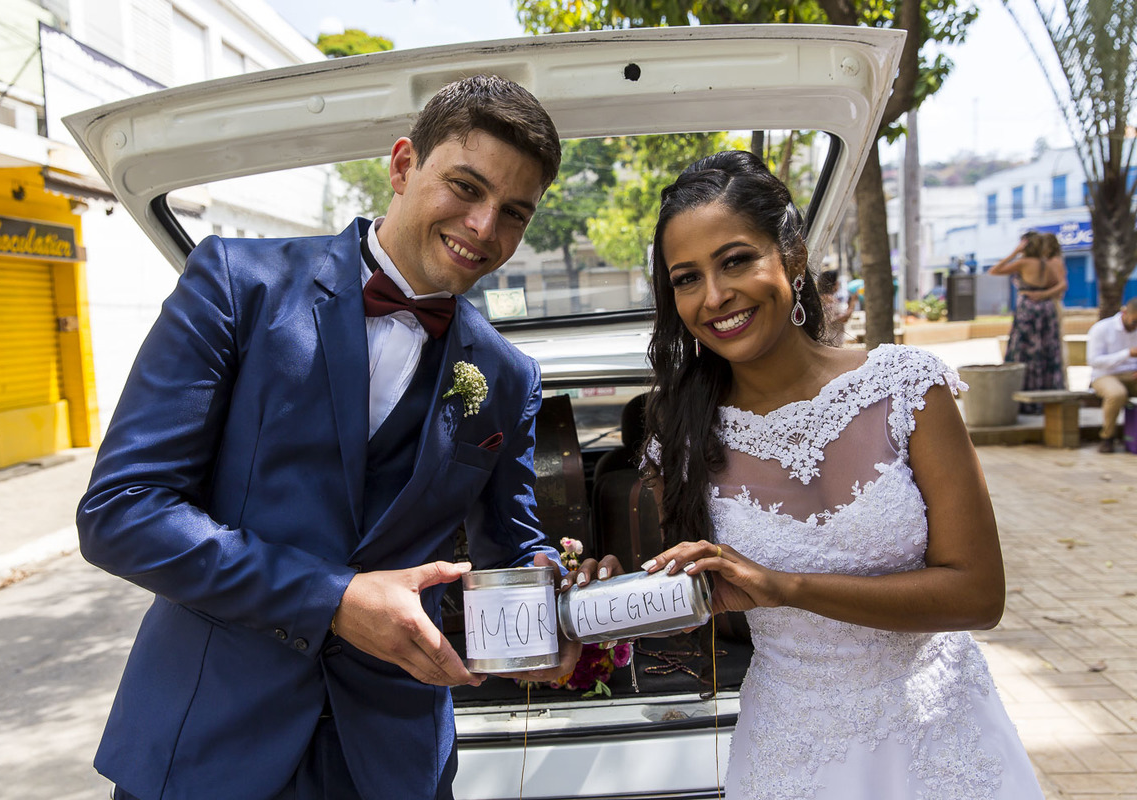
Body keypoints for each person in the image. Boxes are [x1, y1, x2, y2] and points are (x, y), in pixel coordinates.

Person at [77, 75, 585, 800]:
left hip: (392, 756)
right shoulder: (235, 283)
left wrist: (560, 603)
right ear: (404, 165)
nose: (483, 227)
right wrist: (334, 598)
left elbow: (510, 543)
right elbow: (122, 512)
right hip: (206, 741)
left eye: (513, 213)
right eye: (466, 188)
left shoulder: (506, 375)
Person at [636, 151, 1044, 799]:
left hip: (941, 738)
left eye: (736, 260)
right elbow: (688, 602)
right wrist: (590, 596)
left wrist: (786, 585)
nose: (714, 297)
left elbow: (978, 595)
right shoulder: (678, 437)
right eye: (687, 278)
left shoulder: (907, 388)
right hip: (793, 752)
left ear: (793, 257)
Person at [988, 231, 1068, 413]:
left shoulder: (1024, 262)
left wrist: (1014, 252)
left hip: (1028, 309)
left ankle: (1024, 400)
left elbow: (994, 270)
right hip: (1047, 310)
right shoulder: (1050, 263)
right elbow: (1062, 285)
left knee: (1023, 352)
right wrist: (1044, 294)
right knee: (1046, 352)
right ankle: (1047, 397)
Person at [1086, 297, 1137, 453]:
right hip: (1105, 375)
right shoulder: (1101, 328)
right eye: (1135, 321)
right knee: (1116, 394)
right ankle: (1107, 438)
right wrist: (1127, 354)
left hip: (1133, 374)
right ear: (1124, 313)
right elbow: (1094, 361)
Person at [817, 268, 854, 346]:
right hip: (832, 343)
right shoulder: (830, 300)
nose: (839, 283)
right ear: (832, 284)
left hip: (822, 342)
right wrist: (852, 304)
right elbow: (844, 318)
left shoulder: (818, 299)